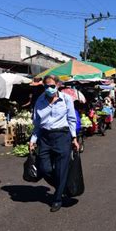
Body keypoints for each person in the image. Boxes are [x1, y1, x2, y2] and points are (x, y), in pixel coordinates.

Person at [29, 75, 80, 212]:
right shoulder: (39, 101)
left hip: (62, 136)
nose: (49, 89)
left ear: (57, 85)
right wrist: (33, 140)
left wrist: (74, 138)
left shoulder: (66, 99)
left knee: (61, 169)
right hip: (45, 138)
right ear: (43, 86)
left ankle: (57, 199)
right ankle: (62, 186)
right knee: (44, 168)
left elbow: (71, 119)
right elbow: (37, 124)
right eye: (47, 86)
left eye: (52, 86)